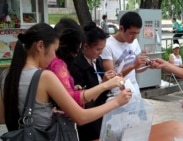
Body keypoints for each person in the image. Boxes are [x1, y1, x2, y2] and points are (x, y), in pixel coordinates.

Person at [0, 23, 131, 133]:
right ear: (40, 46)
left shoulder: (6, 75)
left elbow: (2, 118)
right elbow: (81, 117)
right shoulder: (45, 77)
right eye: (54, 50)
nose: (54, 57)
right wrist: (117, 102)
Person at [69, 22, 114, 141]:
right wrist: (103, 84)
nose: (101, 52)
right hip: (89, 116)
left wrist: (111, 79)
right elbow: (83, 97)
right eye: (98, 49)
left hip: (103, 110)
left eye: (103, 49)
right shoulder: (76, 66)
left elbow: (103, 83)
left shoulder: (97, 60)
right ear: (86, 46)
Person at [100, 11, 149, 97]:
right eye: (131, 33)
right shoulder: (107, 45)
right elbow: (111, 78)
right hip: (117, 92)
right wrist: (133, 65)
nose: (134, 37)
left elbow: (136, 69)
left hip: (134, 89)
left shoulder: (134, 42)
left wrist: (147, 64)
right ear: (121, 28)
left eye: (137, 33)